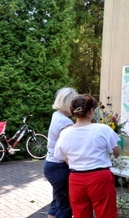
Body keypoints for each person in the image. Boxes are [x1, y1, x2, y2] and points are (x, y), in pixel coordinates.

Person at [54, 94, 122, 218]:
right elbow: (117, 151)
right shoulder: (102, 129)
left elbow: (61, 156)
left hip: (76, 178)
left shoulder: (65, 133)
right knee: (107, 214)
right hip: (99, 177)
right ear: (91, 111)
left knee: (80, 215)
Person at [43, 87, 78, 218]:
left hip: (51, 165)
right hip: (60, 167)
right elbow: (66, 149)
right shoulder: (65, 122)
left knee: (56, 202)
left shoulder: (56, 115)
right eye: (74, 103)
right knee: (65, 207)